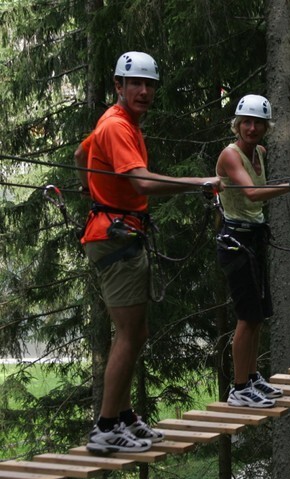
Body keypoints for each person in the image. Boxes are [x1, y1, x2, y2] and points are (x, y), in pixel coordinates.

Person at [75, 51, 222, 453]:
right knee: (128, 334)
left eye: (149, 84)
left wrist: (100, 191)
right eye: (134, 83)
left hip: (117, 231)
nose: (143, 90)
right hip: (115, 236)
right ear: (118, 85)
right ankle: (105, 427)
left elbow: (80, 156)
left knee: (134, 333)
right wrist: (198, 183)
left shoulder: (116, 122)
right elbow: (141, 183)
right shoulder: (118, 126)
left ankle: (122, 416)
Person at [216, 94, 290, 406]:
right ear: (237, 125)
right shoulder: (231, 156)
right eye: (246, 122)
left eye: (258, 123)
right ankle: (239, 386)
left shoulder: (259, 152)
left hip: (253, 239)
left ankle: (252, 375)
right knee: (247, 316)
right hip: (235, 242)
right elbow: (253, 193)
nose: (252, 128)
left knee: (258, 315)